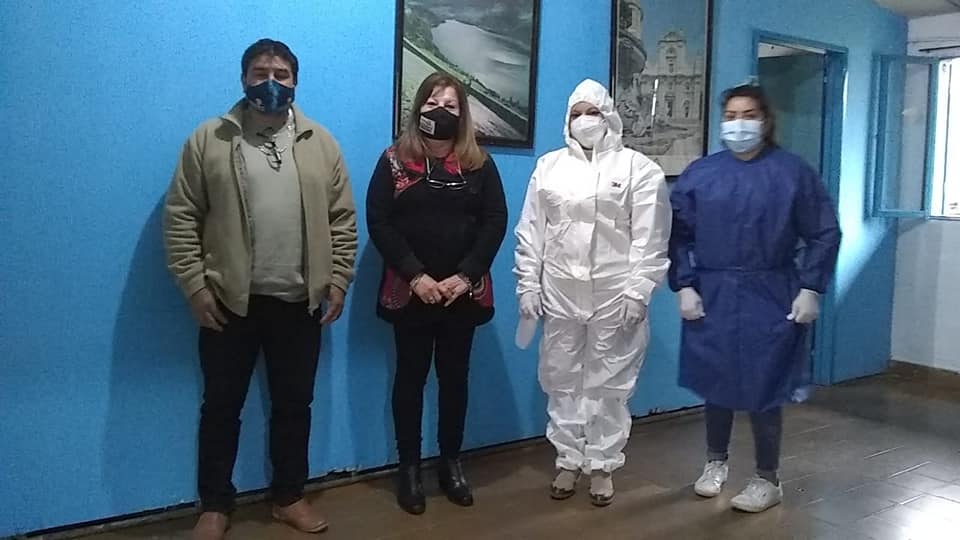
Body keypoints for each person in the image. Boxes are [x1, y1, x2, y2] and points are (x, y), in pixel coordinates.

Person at [163, 39, 357, 539]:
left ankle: (289, 497)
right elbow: (181, 216)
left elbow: (342, 219)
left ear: (296, 81)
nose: (271, 82)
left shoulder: (321, 143)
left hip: (299, 303)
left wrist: (338, 279)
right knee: (221, 407)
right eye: (260, 72)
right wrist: (194, 286)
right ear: (243, 78)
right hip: (228, 303)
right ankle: (215, 504)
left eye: (281, 73)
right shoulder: (209, 139)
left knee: (295, 407)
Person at [668, 84, 841, 513]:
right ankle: (715, 462)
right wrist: (684, 284)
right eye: (731, 115)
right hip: (714, 289)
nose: (739, 124)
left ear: (765, 120)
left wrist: (810, 287)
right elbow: (678, 234)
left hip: (771, 290)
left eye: (748, 115)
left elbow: (824, 232)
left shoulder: (792, 173)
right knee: (716, 378)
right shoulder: (702, 174)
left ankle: (767, 477)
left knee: (766, 384)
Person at [514, 79, 671, 506]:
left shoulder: (639, 169)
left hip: (614, 292)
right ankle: (568, 459)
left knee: (609, 382)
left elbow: (651, 237)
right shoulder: (549, 167)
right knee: (561, 378)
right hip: (561, 290)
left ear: (609, 116)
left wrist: (639, 290)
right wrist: (528, 283)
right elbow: (532, 230)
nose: (584, 120)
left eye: (592, 112)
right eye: (576, 113)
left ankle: (602, 465)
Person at [366, 72, 508, 515]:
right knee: (409, 379)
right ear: (418, 108)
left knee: (454, 379)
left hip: (461, 294)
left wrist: (465, 276)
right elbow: (378, 220)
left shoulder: (479, 163)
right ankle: (409, 468)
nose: (440, 111)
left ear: (463, 113)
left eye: (450, 104)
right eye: (432, 102)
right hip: (412, 292)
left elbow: (495, 221)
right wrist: (416, 276)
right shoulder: (394, 160)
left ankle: (451, 463)